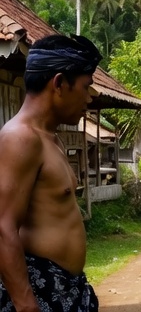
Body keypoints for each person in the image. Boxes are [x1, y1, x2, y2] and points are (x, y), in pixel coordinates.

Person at [0, 35, 102, 312]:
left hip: (68, 287)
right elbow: (3, 227)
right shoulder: (20, 139)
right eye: (85, 87)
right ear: (58, 84)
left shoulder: (51, 139)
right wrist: (26, 305)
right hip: (40, 290)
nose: (89, 98)